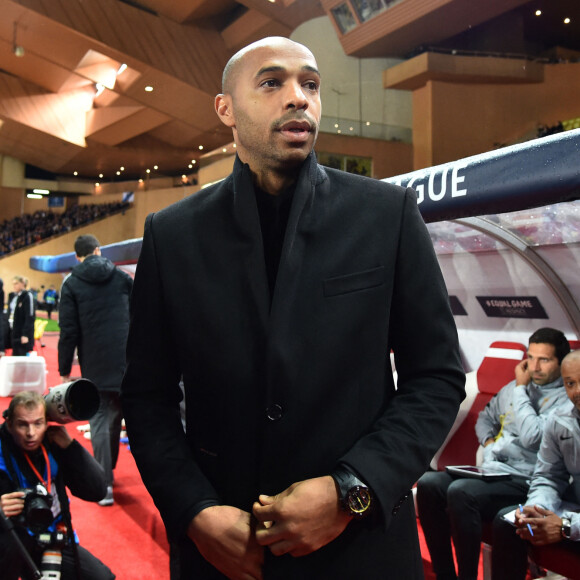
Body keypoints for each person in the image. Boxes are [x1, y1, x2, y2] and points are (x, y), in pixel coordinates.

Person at [121, 36, 465, 580]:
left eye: (310, 84)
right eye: (272, 82)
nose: (298, 97)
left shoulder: (386, 214)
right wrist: (195, 513)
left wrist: (350, 491)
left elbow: (436, 376)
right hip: (225, 551)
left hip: (360, 552)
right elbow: (147, 398)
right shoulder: (172, 234)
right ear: (225, 109)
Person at [416, 328, 571, 580]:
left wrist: (521, 390)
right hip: (495, 470)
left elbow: (533, 436)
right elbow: (485, 420)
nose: (535, 366)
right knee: (429, 484)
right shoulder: (512, 388)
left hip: (526, 478)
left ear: (561, 362)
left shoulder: (565, 397)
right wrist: (489, 443)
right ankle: (445, 574)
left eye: (544, 359)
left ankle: (467, 576)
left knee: (461, 491)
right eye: (530, 358)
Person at [0, 391, 115, 579]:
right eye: (22, 425)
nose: (31, 433)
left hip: (52, 534)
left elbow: (97, 491)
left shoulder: (53, 443)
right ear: (10, 424)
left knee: (102, 577)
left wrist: (71, 447)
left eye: (37, 423)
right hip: (11, 537)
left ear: (46, 423)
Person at [492, 349, 580, 579]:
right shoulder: (560, 419)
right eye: (570, 383)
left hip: (574, 522)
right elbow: (548, 476)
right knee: (509, 522)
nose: (577, 391)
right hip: (573, 511)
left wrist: (566, 526)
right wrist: (537, 510)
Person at [58, 235, 133, 506]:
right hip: (127, 361)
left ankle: (106, 484)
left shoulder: (73, 283)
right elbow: (140, 314)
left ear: (77, 257)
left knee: (101, 420)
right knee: (121, 418)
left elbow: (68, 331)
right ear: (99, 251)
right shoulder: (122, 277)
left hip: (95, 364)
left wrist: (64, 369)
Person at [8, 276, 35, 356]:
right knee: (15, 356)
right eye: (13, 284)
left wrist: (25, 334)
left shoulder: (27, 296)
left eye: (16, 283)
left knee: (22, 356)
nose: (14, 286)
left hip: (22, 333)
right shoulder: (14, 296)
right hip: (13, 331)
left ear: (23, 283)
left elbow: (30, 316)